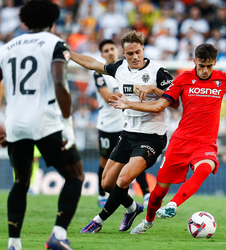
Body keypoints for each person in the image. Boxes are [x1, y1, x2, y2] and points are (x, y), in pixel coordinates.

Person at [109, 43, 226, 234]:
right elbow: (159, 105)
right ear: (194, 61)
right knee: (158, 193)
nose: (205, 70)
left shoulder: (224, 79)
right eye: (201, 65)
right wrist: (129, 103)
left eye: (209, 66)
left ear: (215, 62)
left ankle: (174, 204)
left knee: (206, 167)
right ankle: (148, 221)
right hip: (180, 141)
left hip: (205, 143)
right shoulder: (183, 79)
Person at [0, 1, 85, 249]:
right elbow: (60, 82)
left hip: (15, 124)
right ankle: (58, 235)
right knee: (75, 177)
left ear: (23, 22)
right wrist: (67, 123)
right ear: (53, 22)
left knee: (20, 182)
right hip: (46, 122)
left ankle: (13, 242)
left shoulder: (6, 48)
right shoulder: (55, 44)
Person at [70, 30, 175, 233]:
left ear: (143, 49)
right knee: (107, 183)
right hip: (128, 133)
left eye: (138, 52)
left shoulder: (158, 71)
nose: (135, 57)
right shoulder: (119, 68)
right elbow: (92, 63)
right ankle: (132, 207)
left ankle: (98, 221)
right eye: (130, 54)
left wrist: (154, 90)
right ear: (123, 54)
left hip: (152, 137)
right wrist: (69, 54)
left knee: (124, 179)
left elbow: (174, 102)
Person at [92, 39, 150, 208]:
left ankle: (146, 193)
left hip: (126, 124)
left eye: (112, 49)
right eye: (105, 50)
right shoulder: (100, 73)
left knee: (135, 159)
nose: (110, 52)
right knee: (104, 162)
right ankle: (101, 194)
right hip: (106, 125)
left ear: (118, 51)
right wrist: (130, 93)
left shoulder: (127, 71)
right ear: (102, 55)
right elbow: (107, 97)